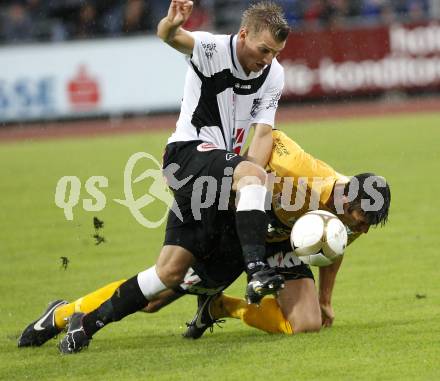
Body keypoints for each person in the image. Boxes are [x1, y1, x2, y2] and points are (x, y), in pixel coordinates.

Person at [17, 0, 291, 354]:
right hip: (187, 153)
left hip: (219, 176)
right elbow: (172, 38)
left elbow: (264, 134)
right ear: (243, 35)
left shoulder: (274, 73)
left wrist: (245, 183)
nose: (267, 58)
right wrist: (170, 24)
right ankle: (257, 272)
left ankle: (79, 323)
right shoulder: (212, 49)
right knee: (251, 182)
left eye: (275, 52)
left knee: (166, 278)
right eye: (263, 49)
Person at [17, 130, 391, 349]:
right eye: (359, 221)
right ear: (345, 199)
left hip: (280, 243)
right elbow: (263, 136)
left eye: (366, 226)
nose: (362, 230)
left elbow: (331, 250)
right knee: (156, 296)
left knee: (307, 323)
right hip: (232, 225)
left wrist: (325, 301)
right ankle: (63, 313)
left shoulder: (348, 218)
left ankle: (219, 308)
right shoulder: (301, 171)